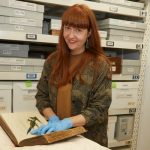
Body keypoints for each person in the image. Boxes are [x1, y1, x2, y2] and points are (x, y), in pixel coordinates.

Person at [31, 4, 112, 147]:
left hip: (87, 139)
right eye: (67, 28)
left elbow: (99, 108)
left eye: (78, 30)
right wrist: (53, 118)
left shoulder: (100, 64)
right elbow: (42, 97)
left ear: (89, 33)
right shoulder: (52, 61)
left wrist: (68, 123)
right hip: (57, 136)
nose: (70, 35)